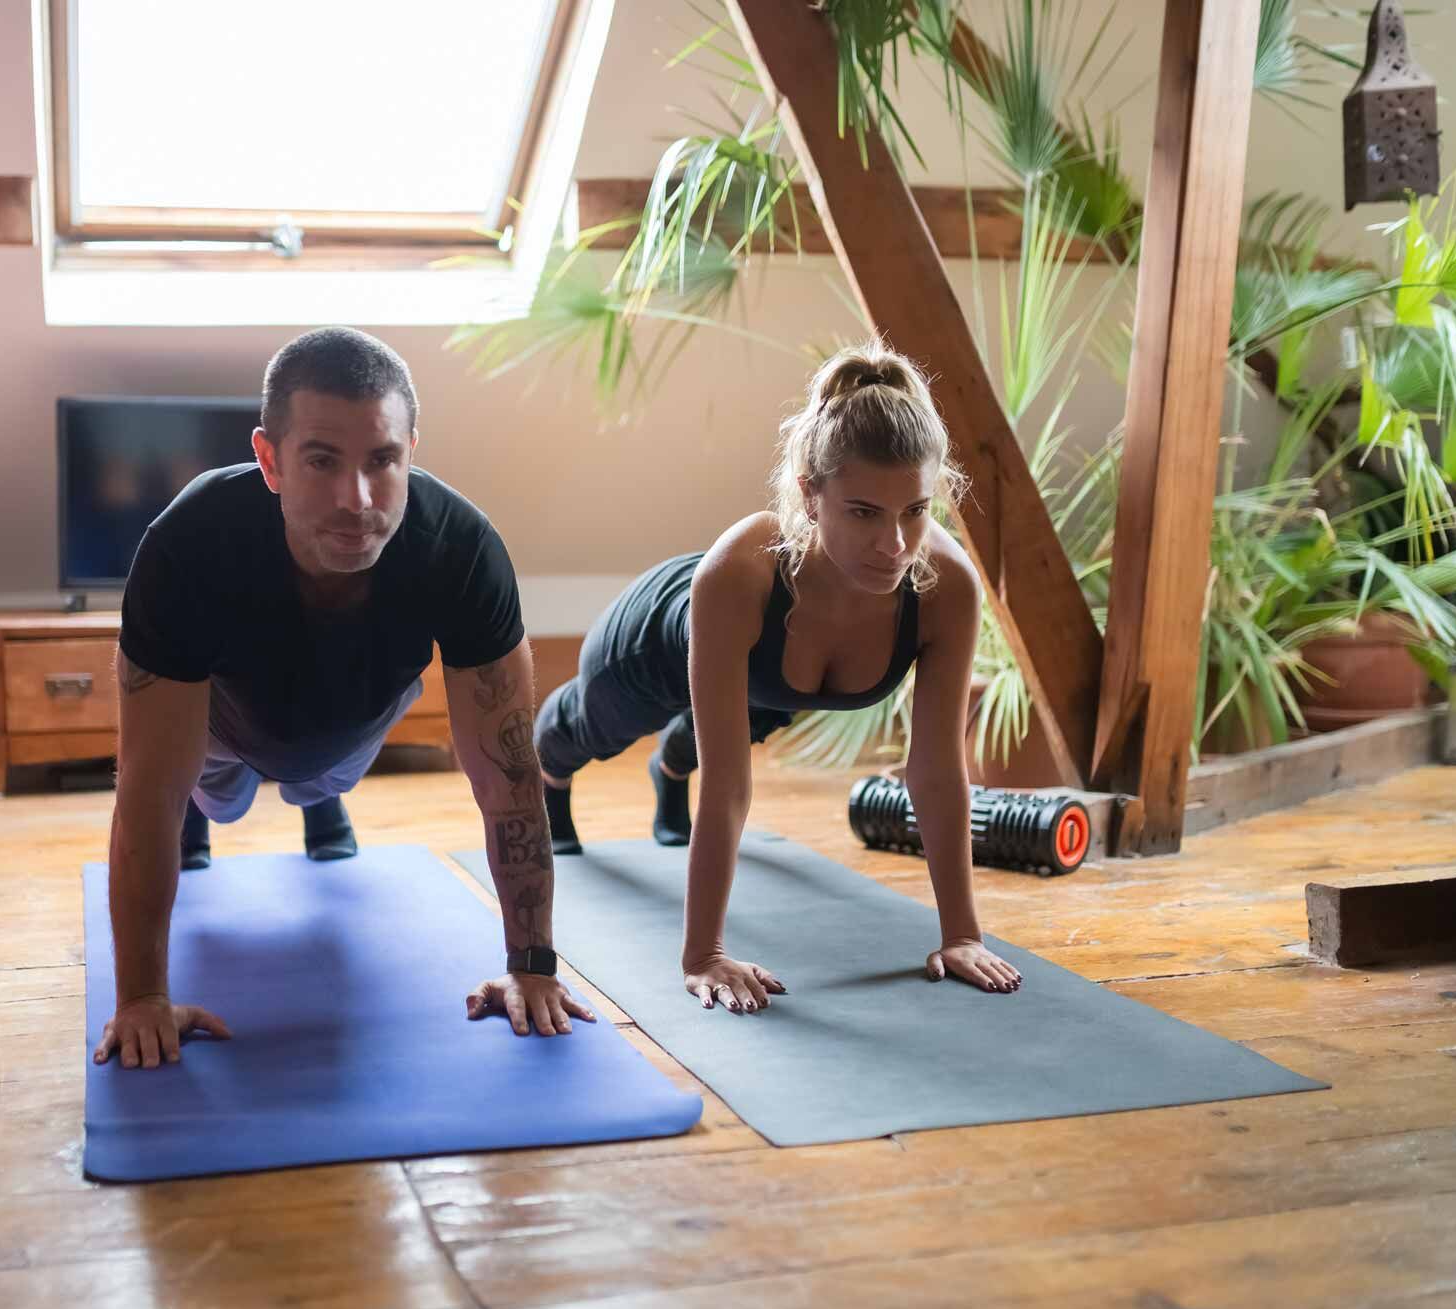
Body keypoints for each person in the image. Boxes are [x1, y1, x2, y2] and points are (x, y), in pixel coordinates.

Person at [93, 327, 593, 1070]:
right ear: (270, 460)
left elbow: (510, 781)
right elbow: (145, 790)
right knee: (208, 797)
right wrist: (140, 998)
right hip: (221, 729)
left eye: (382, 460)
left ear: (410, 452)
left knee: (319, 776)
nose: (356, 499)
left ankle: (316, 792)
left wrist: (532, 963)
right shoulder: (188, 544)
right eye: (322, 461)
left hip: (355, 718)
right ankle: (214, 814)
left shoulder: (461, 550)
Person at [534, 340, 1022, 1014]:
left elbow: (936, 771)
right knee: (596, 729)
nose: (895, 546)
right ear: (811, 496)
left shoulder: (945, 587)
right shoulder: (741, 571)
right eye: (863, 513)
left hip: (772, 678)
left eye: (915, 510)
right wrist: (702, 954)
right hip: (657, 641)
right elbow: (730, 786)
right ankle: (550, 775)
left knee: (734, 725)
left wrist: (962, 933)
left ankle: (671, 773)